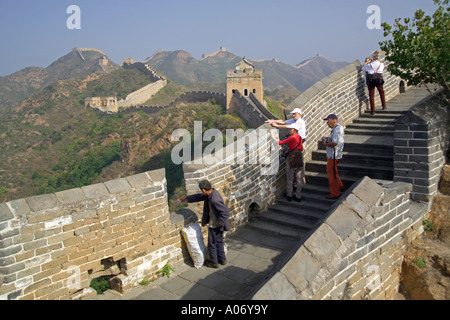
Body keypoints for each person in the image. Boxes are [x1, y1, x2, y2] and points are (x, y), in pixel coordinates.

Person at [178, 180, 230, 268]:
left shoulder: (214, 199)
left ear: (203, 190)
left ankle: (214, 263)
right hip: (218, 224)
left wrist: (219, 222)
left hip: (215, 224)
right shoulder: (211, 193)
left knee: (212, 244)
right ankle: (222, 259)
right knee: (219, 241)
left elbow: (225, 212)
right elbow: (199, 197)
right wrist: (187, 198)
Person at [271, 123, 304, 202]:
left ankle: (289, 195)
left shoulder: (292, 137)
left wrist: (272, 136)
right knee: (299, 178)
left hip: (291, 157)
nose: (289, 130)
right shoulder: (299, 137)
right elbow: (301, 148)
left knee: (290, 177)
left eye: (290, 129)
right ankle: (298, 196)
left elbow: (280, 142)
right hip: (299, 157)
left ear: (294, 130)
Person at [321, 114, 345, 199]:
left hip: (334, 155)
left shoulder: (337, 129)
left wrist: (325, 143)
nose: (327, 123)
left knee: (332, 174)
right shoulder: (335, 129)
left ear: (334, 120)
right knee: (333, 172)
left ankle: (335, 193)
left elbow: (334, 143)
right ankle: (340, 186)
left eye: (328, 120)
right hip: (333, 155)